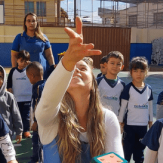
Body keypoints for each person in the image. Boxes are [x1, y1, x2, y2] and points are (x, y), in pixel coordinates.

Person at [36, 17, 123, 163]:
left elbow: (115, 160)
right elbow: (47, 101)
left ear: (93, 82)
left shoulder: (107, 119)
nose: (75, 71)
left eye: (82, 68)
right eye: (71, 70)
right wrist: (68, 61)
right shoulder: (51, 118)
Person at [118, 57, 153, 163]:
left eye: (142, 71)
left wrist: (150, 122)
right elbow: (123, 107)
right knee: (126, 152)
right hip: (130, 126)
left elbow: (150, 107)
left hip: (143, 127)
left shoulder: (148, 89)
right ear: (131, 72)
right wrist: (120, 123)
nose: (139, 74)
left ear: (146, 72)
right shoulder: (128, 88)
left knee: (139, 153)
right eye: (136, 71)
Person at [11, 12, 56, 79]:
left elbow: (49, 55)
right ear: (25, 23)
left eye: (33, 21)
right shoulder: (19, 37)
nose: (31, 23)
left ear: (36, 23)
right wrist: (14, 71)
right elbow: (14, 55)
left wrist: (52, 68)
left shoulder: (43, 38)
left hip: (42, 74)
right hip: (24, 75)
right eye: (28, 21)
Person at [7, 50, 33, 138]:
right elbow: (9, 82)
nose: (23, 63)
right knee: (16, 115)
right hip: (16, 98)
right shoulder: (13, 71)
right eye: (21, 61)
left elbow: (35, 73)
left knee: (26, 116)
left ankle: (26, 130)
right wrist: (10, 90)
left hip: (27, 98)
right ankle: (18, 131)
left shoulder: (30, 70)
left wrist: (31, 65)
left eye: (26, 61)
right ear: (17, 60)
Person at [26, 61, 46, 163]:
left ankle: (36, 159)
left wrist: (35, 122)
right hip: (44, 122)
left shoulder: (38, 87)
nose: (29, 80)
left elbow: (37, 105)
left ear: (32, 76)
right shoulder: (46, 84)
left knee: (37, 142)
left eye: (28, 77)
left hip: (39, 123)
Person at [97, 51, 126, 116]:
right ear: (106, 65)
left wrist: (121, 120)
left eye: (118, 64)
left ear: (122, 67)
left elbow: (123, 105)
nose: (115, 66)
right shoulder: (97, 82)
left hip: (115, 119)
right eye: (112, 63)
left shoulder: (122, 85)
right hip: (99, 118)